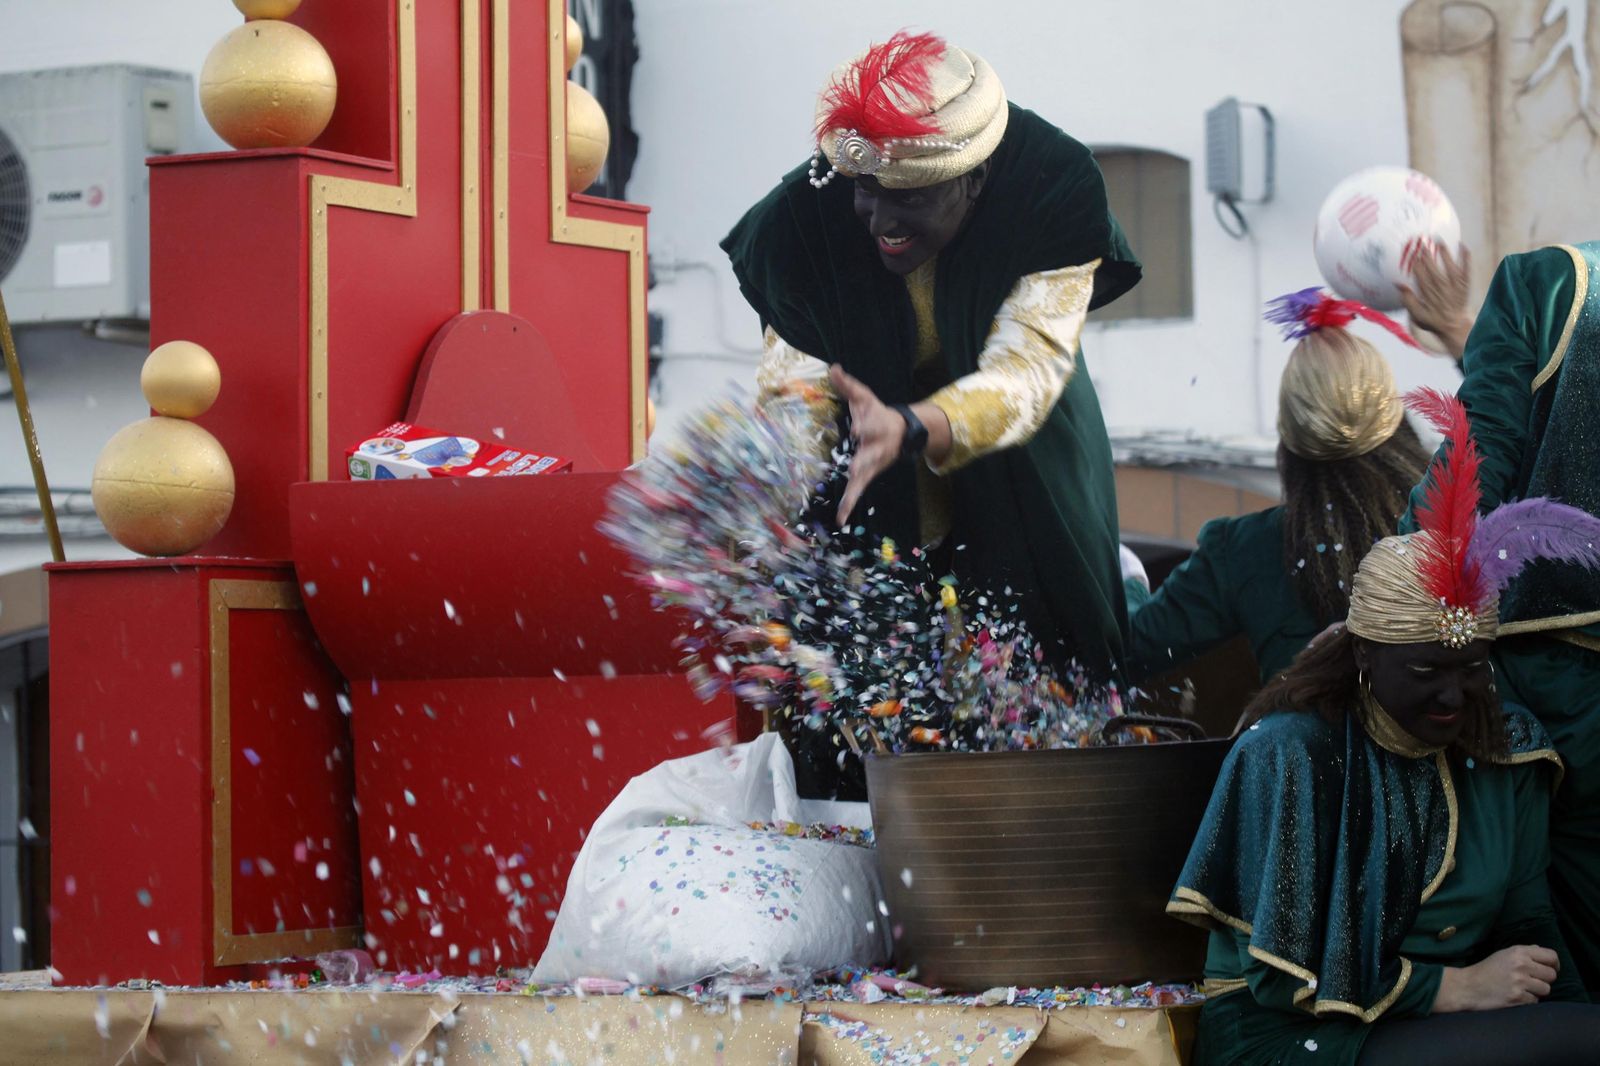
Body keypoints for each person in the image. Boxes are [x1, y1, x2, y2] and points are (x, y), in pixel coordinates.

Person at [1169, 389, 1600, 1065]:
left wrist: (1570, 1015)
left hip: (1437, 1019)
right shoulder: (1294, 755)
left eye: (1473, 669)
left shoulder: (1506, 747)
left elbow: (1528, 931)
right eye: (1427, 669)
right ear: (1365, 653)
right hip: (1289, 1036)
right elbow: (1281, 976)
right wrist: (1451, 988)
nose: (1455, 695)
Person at [721, 31, 1141, 692]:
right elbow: (793, 393)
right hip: (868, 488)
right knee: (865, 681)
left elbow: (1026, 374)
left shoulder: (1050, 188)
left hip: (1025, 458)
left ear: (973, 179)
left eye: (909, 198)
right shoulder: (798, 225)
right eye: (867, 191)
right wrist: (771, 502)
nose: (879, 221)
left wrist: (913, 426)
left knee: (1049, 664)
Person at [1401, 241, 1600, 998]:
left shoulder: (1548, 283)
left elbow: (1467, 487)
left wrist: (1383, 589)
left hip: (1557, 706)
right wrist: (1466, 332)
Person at [1125, 290, 1431, 686]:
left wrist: (1130, 577)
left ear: (1289, 444)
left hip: (1297, 750)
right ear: (1397, 422)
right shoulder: (1459, 525)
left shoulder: (1244, 550)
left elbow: (1131, 650)